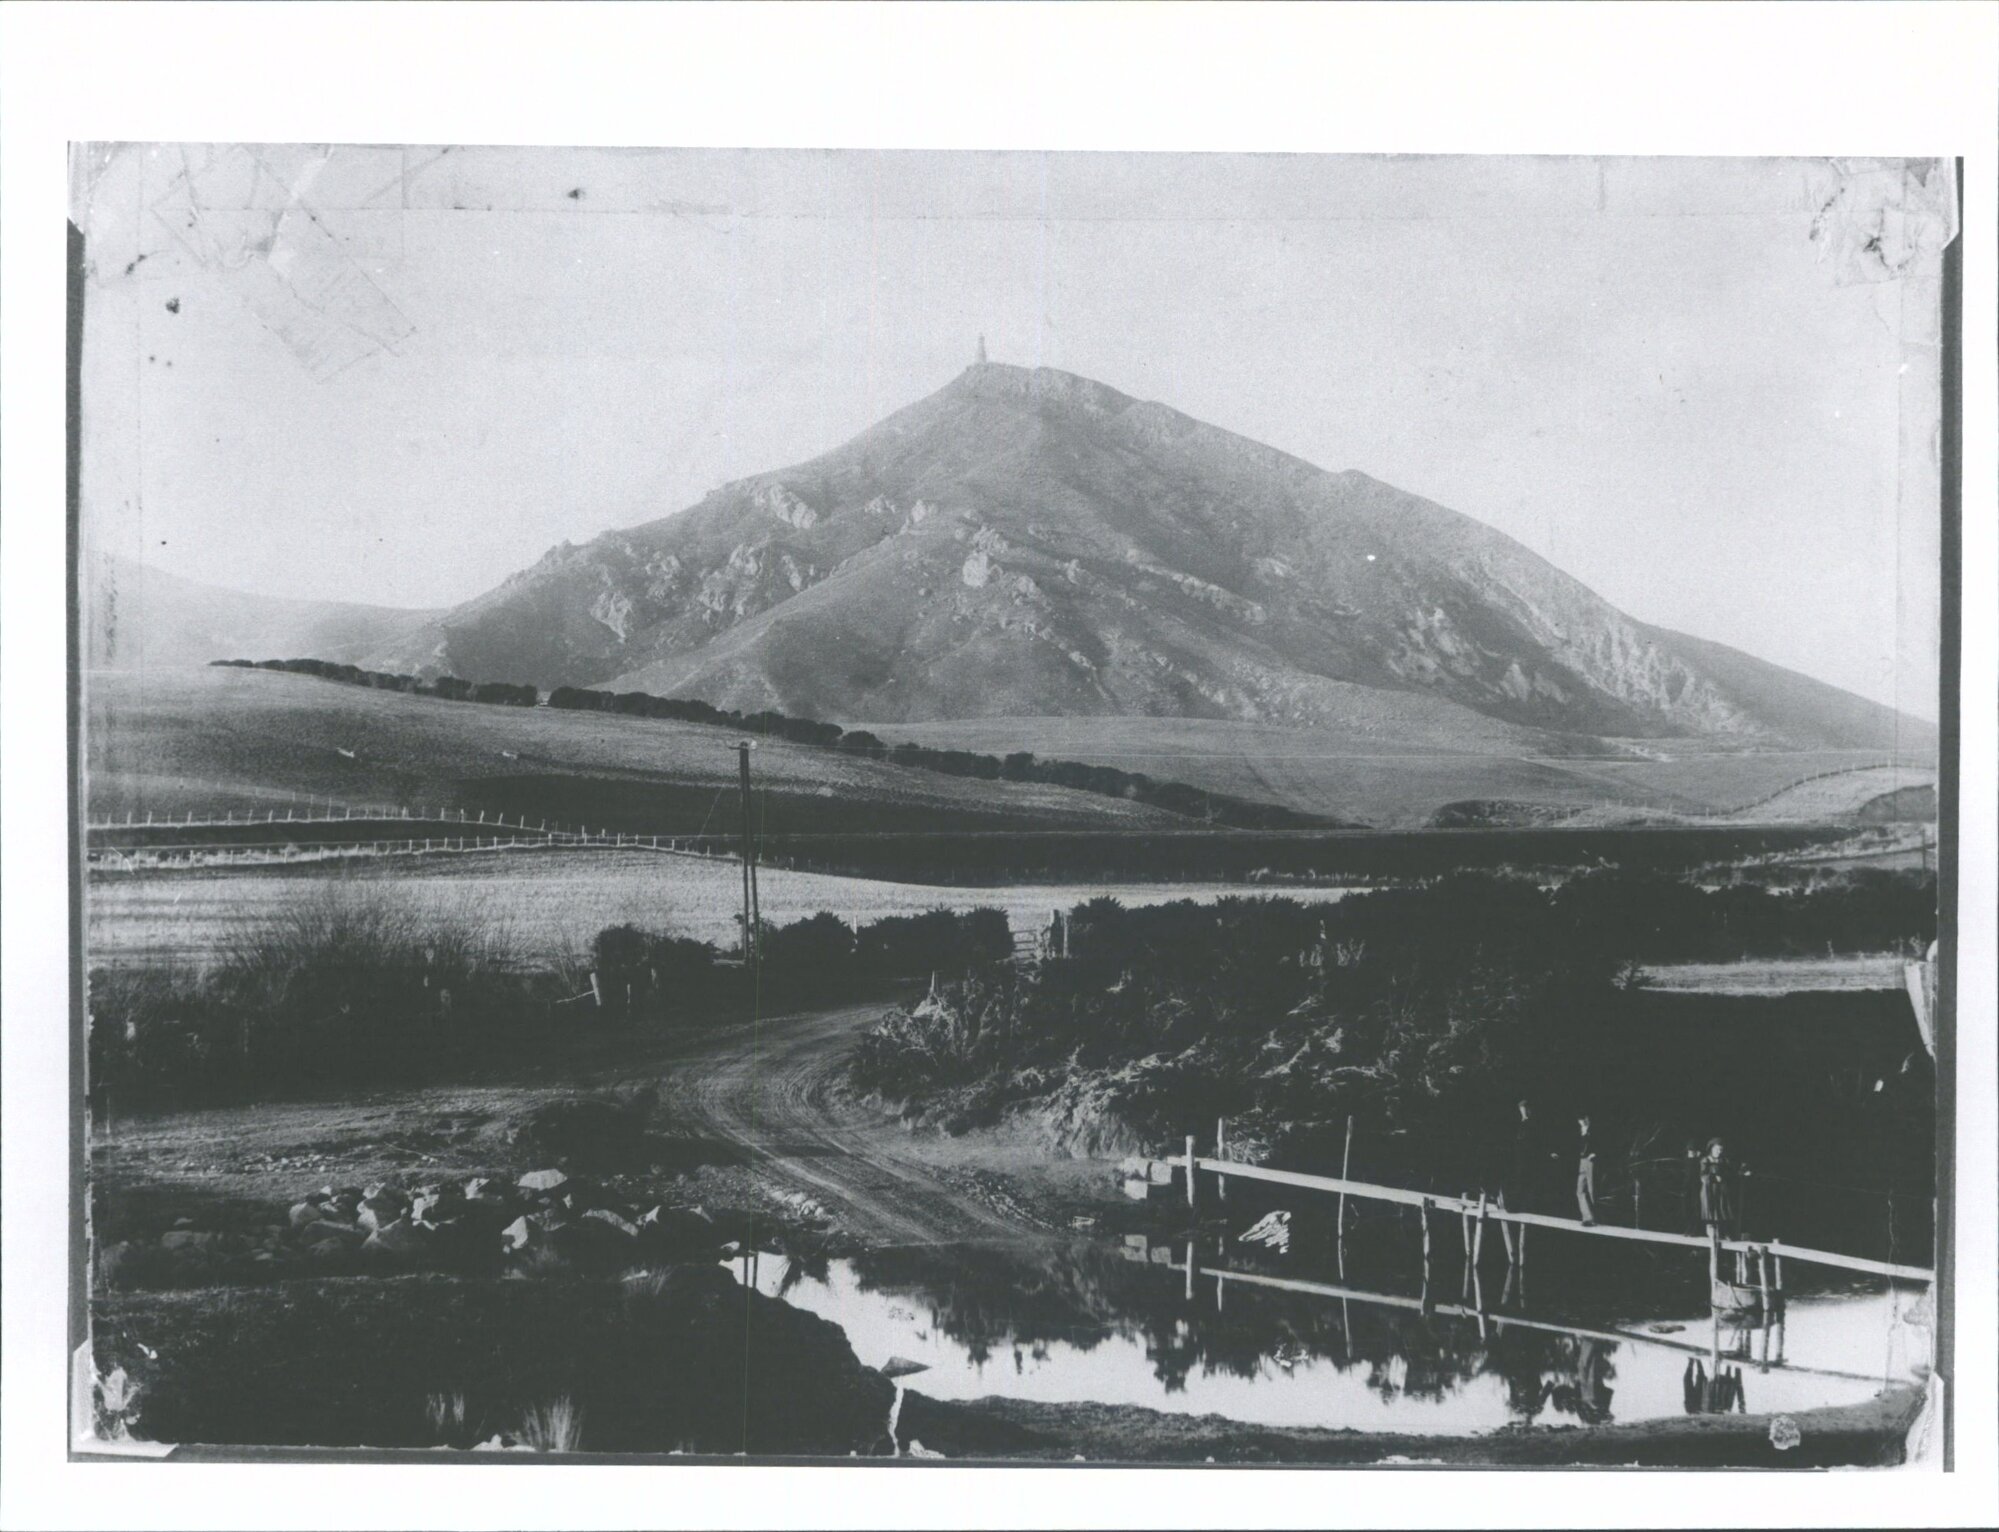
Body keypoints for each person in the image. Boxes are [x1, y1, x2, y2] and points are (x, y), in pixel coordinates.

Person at [1700, 1137, 1738, 1239]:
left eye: (1721, 1150)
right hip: (1710, 1189)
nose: (1719, 1152)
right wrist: (1713, 1177)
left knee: (1723, 1209)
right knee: (1711, 1210)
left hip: (1721, 1189)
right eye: (1717, 1149)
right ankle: (1712, 1233)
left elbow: (1730, 1173)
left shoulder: (1724, 1161)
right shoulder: (1705, 1160)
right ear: (1711, 1149)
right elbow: (1703, 1176)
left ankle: (1725, 1233)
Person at [1574, 1114, 1598, 1226]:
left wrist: (1595, 1153)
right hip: (1582, 1161)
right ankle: (1587, 1217)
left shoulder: (1593, 1131)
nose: (1581, 1123)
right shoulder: (1581, 1132)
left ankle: (1595, 1218)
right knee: (1579, 1191)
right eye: (1579, 1121)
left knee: (1592, 1190)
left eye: (1583, 1120)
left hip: (1590, 1161)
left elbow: (1601, 1144)